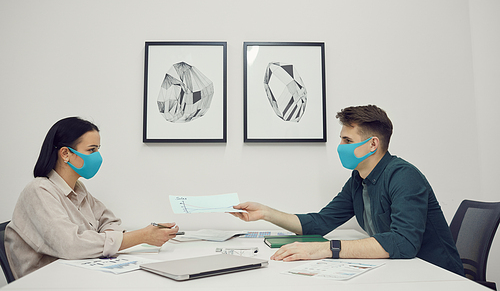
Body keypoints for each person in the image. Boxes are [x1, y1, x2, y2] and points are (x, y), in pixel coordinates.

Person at [231, 105, 464, 276]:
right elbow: (320, 223)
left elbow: (404, 242)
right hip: (402, 271)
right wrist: (266, 213)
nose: (340, 147)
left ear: (373, 144)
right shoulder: (358, 180)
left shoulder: (403, 176)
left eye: (347, 140)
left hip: (438, 276)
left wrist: (326, 249)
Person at [4, 117, 179, 279]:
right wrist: (142, 236)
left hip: (77, 273)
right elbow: (71, 246)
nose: (97, 157)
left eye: (98, 150)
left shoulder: (79, 190)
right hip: (46, 281)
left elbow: (109, 221)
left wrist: (96, 243)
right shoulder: (38, 191)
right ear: (65, 153)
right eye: (91, 150)